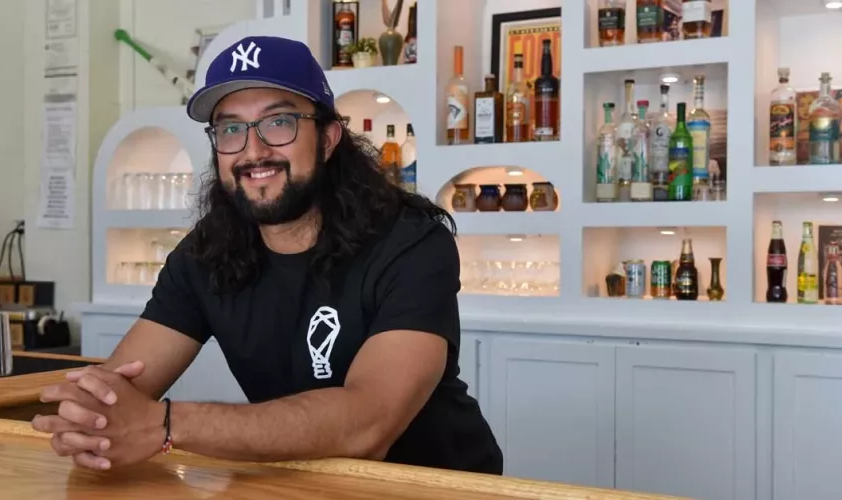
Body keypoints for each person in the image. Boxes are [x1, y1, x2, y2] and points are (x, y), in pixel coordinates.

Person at [31, 35, 503, 475]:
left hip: (440, 484)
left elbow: (368, 423)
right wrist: (89, 415)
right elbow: (121, 390)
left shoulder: (410, 243)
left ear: (329, 137)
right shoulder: (204, 255)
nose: (253, 151)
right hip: (301, 482)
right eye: (231, 128)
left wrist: (167, 425)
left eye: (278, 122)